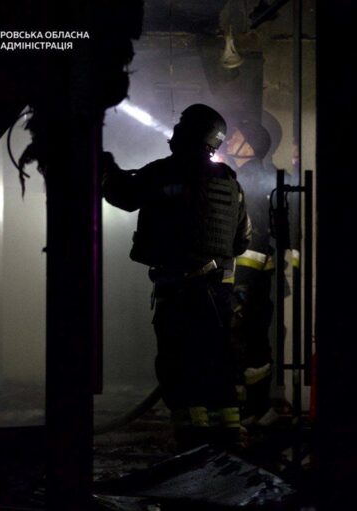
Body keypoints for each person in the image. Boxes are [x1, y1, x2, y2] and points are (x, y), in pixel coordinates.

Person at [102, 104, 252, 450]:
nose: (175, 128)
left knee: (179, 363)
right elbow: (241, 241)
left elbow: (123, 195)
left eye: (182, 124)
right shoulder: (230, 181)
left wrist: (105, 169)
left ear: (191, 133)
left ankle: (191, 442)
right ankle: (227, 439)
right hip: (220, 293)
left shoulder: (164, 171)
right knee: (218, 363)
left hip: (179, 290)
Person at [223, 119, 278, 423]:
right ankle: (253, 408)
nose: (231, 139)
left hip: (248, 280)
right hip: (251, 279)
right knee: (248, 342)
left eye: (238, 136)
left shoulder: (250, 179)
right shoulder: (248, 176)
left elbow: (254, 237)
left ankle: (256, 408)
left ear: (251, 147)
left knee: (248, 342)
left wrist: (241, 285)